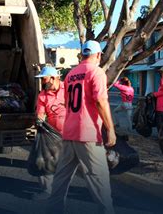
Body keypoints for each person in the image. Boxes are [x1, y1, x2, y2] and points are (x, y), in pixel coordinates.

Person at [47, 40, 116, 214]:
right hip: (88, 134)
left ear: (83, 54)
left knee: (61, 178)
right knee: (99, 179)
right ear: (98, 55)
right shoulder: (97, 72)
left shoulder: (71, 74)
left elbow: (68, 103)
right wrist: (110, 129)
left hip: (69, 132)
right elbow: (100, 101)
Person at [33, 66, 66, 200]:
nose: (42, 81)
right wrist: (39, 121)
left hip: (72, 134)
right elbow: (40, 113)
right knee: (45, 162)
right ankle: (47, 191)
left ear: (53, 78)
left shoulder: (68, 89)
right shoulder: (43, 95)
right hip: (52, 136)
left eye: (44, 78)